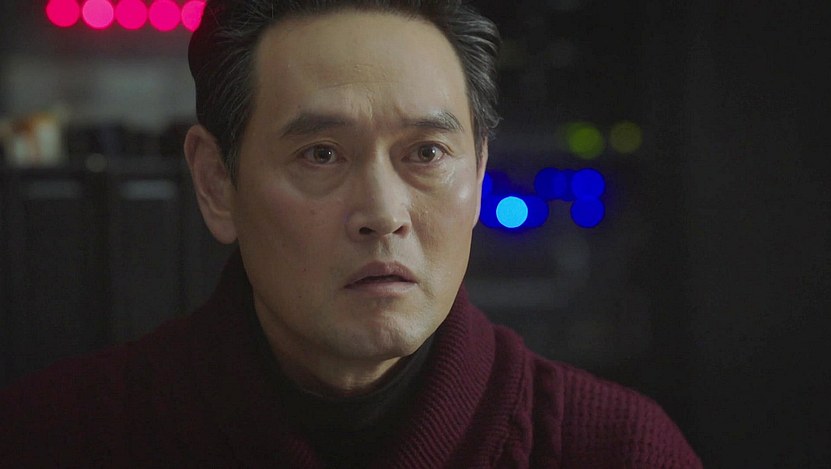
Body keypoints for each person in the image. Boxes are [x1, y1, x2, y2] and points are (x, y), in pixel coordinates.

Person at [0, 0, 701, 466]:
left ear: (479, 170)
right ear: (215, 182)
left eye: (426, 152)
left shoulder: (614, 449)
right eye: (321, 154)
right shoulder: (56, 438)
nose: (383, 212)